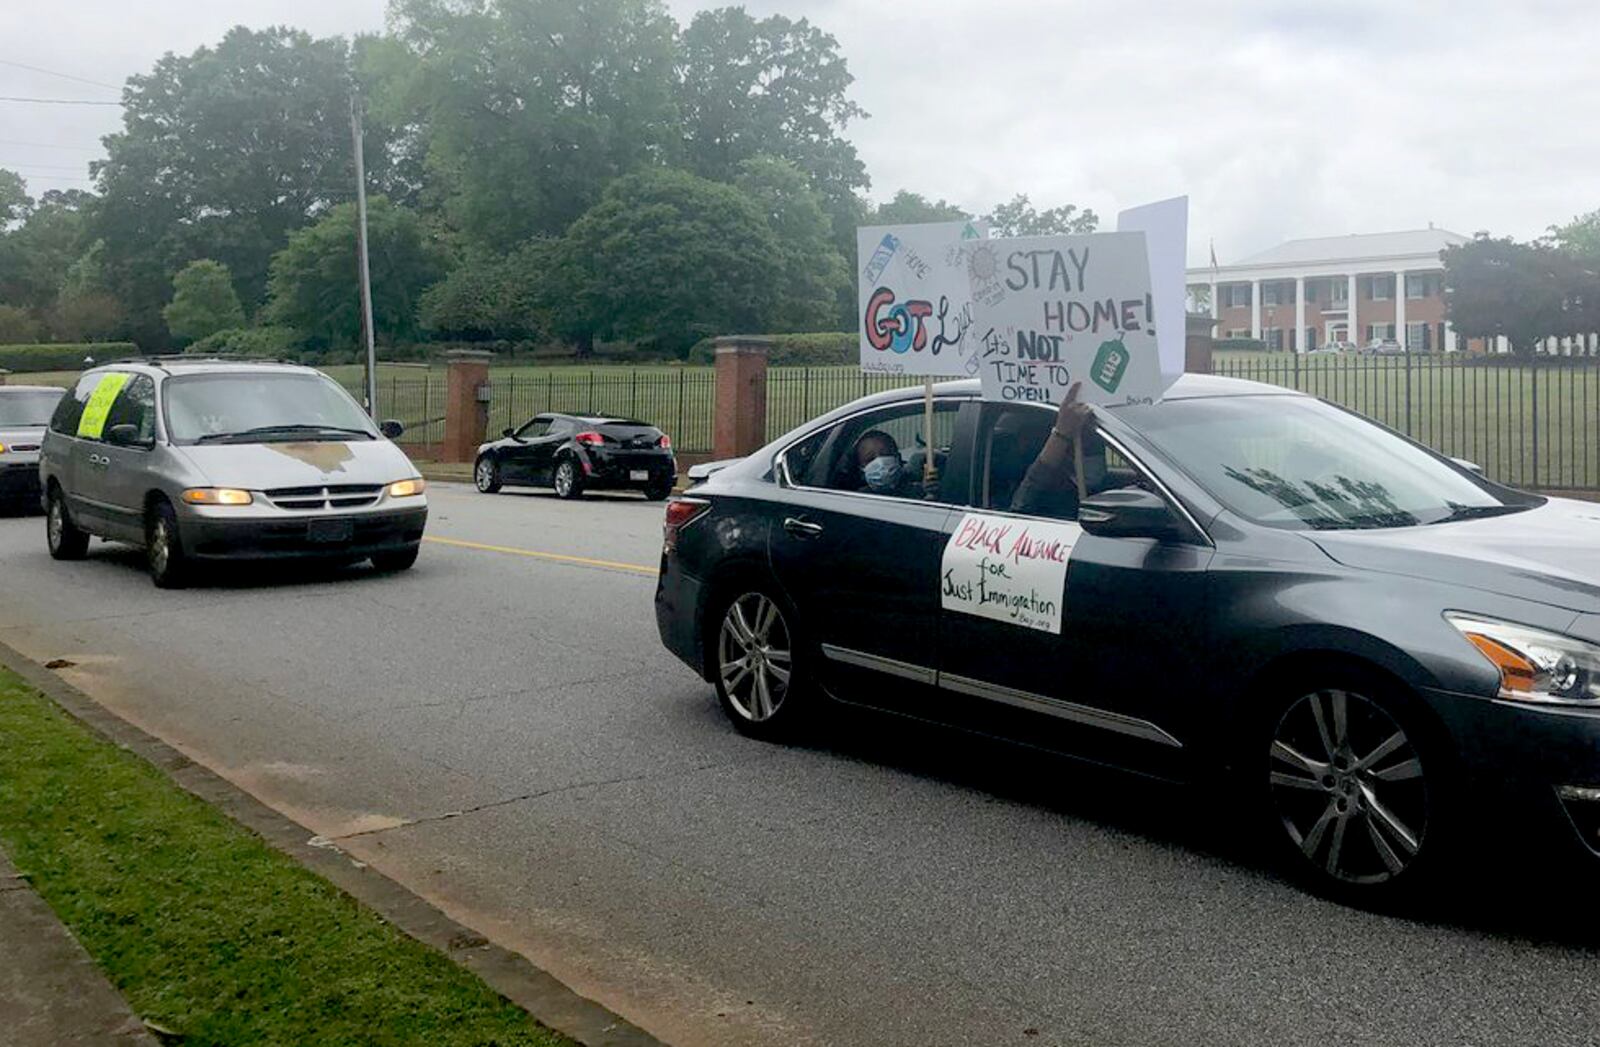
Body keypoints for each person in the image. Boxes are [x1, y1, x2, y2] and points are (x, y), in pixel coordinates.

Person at [1010, 381, 1104, 518]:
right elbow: (1020, 510)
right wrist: (1062, 433)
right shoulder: (1050, 497)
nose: (1092, 453)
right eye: (1090, 446)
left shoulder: (1093, 493)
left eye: (1094, 445)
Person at [852, 429, 937, 500]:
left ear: (898, 458)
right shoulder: (857, 499)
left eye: (886, 454)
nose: (880, 463)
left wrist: (929, 493)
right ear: (861, 468)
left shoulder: (916, 491)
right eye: (870, 459)